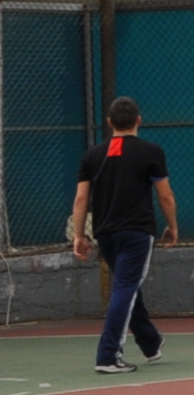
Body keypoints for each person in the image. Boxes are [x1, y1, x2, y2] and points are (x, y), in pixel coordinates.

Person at [70, 95, 175, 375]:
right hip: (137, 233)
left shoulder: (91, 155)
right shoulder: (151, 151)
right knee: (125, 288)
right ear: (139, 120)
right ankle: (108, 355)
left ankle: (150, 341)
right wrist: (173, 226)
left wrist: (79, 235)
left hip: (105, 233)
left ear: (109, 122)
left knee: (126, 286)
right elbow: (165, 195)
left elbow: (81, 199)